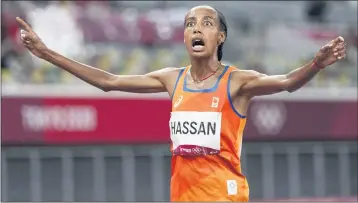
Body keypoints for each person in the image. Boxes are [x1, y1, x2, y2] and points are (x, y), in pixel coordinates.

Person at [16, 5, 346, 202]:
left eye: (206, 23)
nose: (196, 28)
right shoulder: (172, 79)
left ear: (221, 37)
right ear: (185, 37)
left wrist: (315, 64)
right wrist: (47, 54)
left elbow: (288, 83)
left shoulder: (237, 81)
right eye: (190, 24)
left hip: (223, 195)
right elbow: (109, 82)